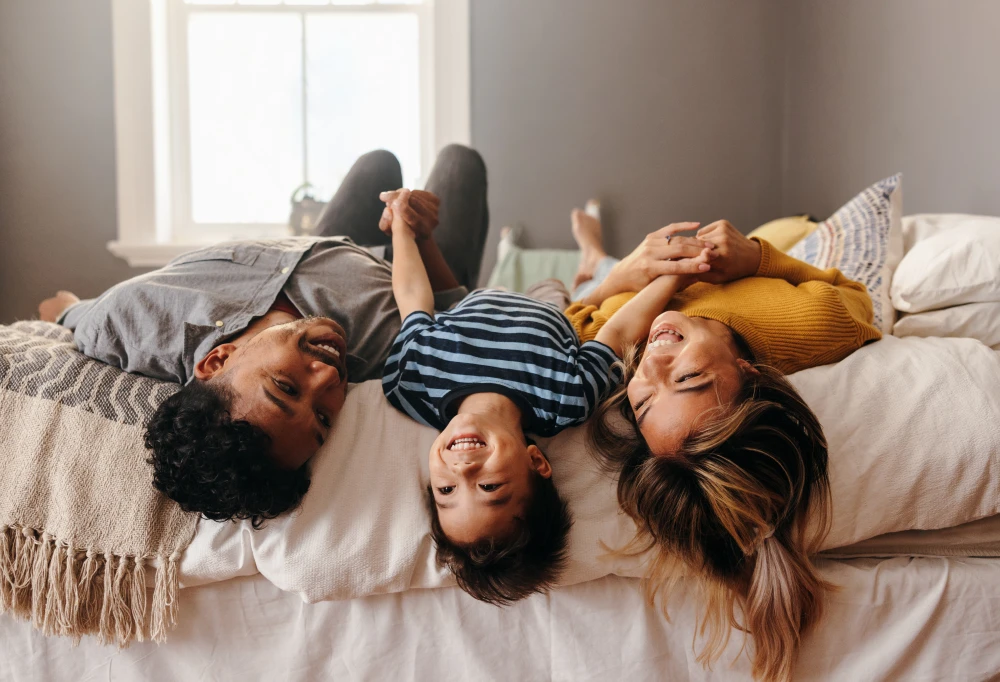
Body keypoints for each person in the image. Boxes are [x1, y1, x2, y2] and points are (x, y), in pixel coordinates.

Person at [36, 146, 490, 528]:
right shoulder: (389, 343)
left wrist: (64, 307)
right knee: (460, 162)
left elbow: (70, 313)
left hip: (321, 247)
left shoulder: (131, 318)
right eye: (324, 419)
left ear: (217, 361)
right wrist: (420, 236)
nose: (328, 378)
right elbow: (448, 305)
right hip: (407, 270)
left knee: (378, 164)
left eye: (286, 387)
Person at [564, 208, 881, 682]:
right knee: (793, 226)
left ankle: (595, 257)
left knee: (588, 276)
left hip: (626, 278)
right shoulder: (811, 324)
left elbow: (575, 318)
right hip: (741, 253)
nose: (651, 365)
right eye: (688, 378)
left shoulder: (614, 351)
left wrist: (620, 278)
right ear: (749, 375)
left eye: (645, 402)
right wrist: (756, 257)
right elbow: (857, 296)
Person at [380, 192, 714, 604]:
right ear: (537, 461)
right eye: (488, 485)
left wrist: (401, 227)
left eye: (445, 492)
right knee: (579, 297)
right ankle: (589, 262)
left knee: (474, 289)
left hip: (475, 299)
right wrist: (678, 275)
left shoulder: (411, 381)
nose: (462, 470)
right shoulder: (565, 399)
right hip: (551, 308)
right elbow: (616, 333)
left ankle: (582, 259)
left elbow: (414, 298)